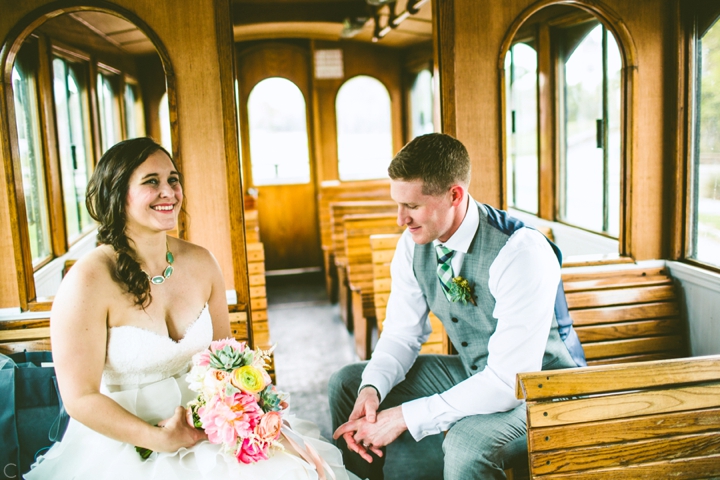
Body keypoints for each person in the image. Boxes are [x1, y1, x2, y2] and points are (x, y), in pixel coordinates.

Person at [26, 137, 358, 480]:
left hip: (214, 430)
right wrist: (158, 439)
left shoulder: (201, 261)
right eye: (151, 182)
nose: (169, 191)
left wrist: (254, 422)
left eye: (173, 179)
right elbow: (80, 398)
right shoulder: (87, 281)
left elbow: (227, 363)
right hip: (130, 443)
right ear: (117, 194)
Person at [329, 133, 586, 480]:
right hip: (479, 371)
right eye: (398, 204)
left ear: (455, 195)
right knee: (350, 383)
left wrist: (404, 416)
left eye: (413, 206)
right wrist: (372, 388)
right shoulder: (413, 243)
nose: (400, 219)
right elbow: (402, 334)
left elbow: (508, 382)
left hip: (544, 390)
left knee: (466, 444)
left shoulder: (520, 252)